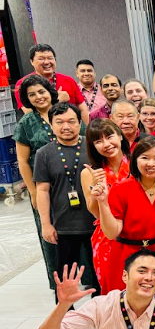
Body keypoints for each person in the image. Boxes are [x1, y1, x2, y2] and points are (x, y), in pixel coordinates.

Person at [93, 136, 155, 302]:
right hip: (126, 257)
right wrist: (103, 203)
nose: (151, 164)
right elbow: (112, 233)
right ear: (135, 160)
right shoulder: (121, 189)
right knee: (124, 310)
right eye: (145, 158)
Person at [34, 103, 99, 301]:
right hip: (64, 225)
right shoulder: (44, 153)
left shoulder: (92, 146)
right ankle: (63, 317)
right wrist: (46, 224)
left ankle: (102, 313)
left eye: (71, 121)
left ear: (79, 123)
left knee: (99, 274)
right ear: (52, 125)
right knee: (64, 278)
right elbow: (42, 190)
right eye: (59, 122)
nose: (66, 126)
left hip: (96, 223)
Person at [14, 76, 61, 289]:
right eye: (32, 94)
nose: (38, 97)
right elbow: (23, 161)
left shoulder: (65, 113)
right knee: (51, 236)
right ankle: (60, 289)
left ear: (49, 91)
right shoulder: (26, 123)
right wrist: (33, 192)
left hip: (72, 185)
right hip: (43, 189)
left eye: (41, 91)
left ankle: (90, 282)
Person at [81, 119, 131, 295]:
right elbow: (94, 212)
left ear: (119, 135)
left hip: (136, 232)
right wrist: (96, 188)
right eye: (98, 141)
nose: (106, 144)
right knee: (113, 290)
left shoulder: (138, 163)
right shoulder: (89, 173)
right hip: (107, 237)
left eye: (109, 137)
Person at [15, 44, 89, 123]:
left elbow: (83, 109)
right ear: (32, 61)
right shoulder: (23, 84)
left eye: (50, 58)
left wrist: (85, 131)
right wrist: (57, 101)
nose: (47, 62)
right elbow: (30, 114)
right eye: (41, 59)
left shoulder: (68, 80)